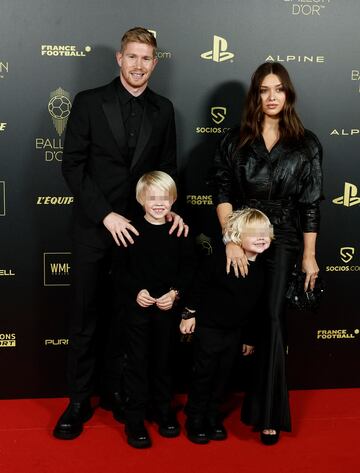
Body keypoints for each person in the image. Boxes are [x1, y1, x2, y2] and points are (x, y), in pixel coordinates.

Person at [54, 27, 186, 440]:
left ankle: (120, 395)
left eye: (146, 58)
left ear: (155, 62)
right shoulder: (90, 102)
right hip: (96, 229)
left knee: (130, 317)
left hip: (144, 235)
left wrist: (171, 212)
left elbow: (166, 172)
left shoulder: (163, 110)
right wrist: (106, 215)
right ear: (119, 59)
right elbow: (72, 166)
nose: (138, 65)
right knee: (86, 316)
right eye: (132, 57)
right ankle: (78, 402)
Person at [211, 62, 323, 445]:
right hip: (243, 236)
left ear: (288, 94)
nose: (272, 97)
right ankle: (209, 407)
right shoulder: (234, 139)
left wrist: (309, 255)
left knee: (273, 318)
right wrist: (231, 239)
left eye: (278, 89)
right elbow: (222, 192)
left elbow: (310, 204)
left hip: (286, 237)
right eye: (264, 90)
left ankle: (268, 413)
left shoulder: (306, 143)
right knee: (239, 317)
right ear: (255, 95)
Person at [112, 171, 195, 448]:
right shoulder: (130, 230)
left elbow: (187, 271)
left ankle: (163, 412)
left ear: (173, 200)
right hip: (137, 312)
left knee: (164, 362)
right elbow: (119, 271)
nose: (159, 203)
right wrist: (137, 292)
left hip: (166, 311)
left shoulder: (179, 231)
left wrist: (175, 293)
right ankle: (134, 420)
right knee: (137, 364)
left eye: (165, 198)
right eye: (152, 198)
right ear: (141, 199)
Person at [180, 208, 273, 444]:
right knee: (204, 374)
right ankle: (195, 417)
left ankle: (212, 415)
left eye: (265, 233)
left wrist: (250, 338)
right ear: (237, 236)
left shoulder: (262, 269)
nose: (261, 238)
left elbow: (256, 309)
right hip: (209, 329)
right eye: (254, 234)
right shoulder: (220, 258)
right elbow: (198, 285)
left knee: (223, 375)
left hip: (234, 332)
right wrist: (189, 314)